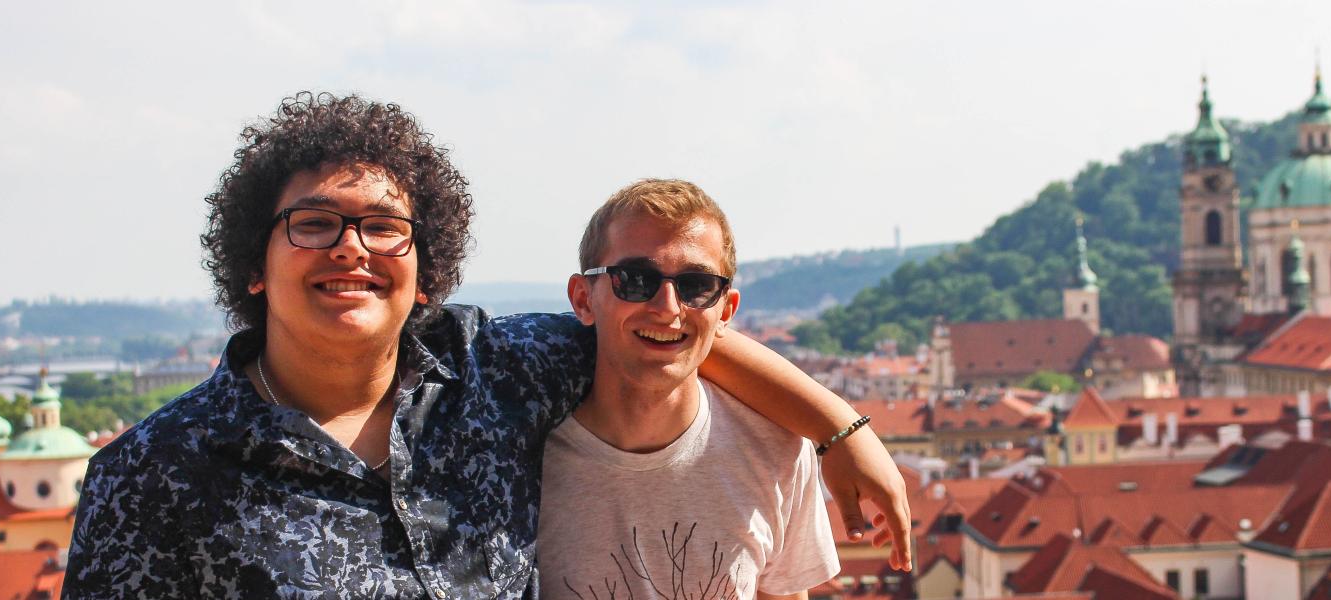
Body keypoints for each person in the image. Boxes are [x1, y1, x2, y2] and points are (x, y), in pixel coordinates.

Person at [63, 93, 909, 599]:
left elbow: (665, 332)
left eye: (385, 229)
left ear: (426, 273)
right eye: (315, 224)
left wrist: (841, 429)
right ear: (255, 261)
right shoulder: (152, 476)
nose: (352, 250)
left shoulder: (493, 371)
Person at [539, 180, 838, 599]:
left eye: (696, 284)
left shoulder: (778, 450)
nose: (667, 308)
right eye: (635, 279)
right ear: (583, 299)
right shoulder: (518, 459)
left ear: (725, 310)